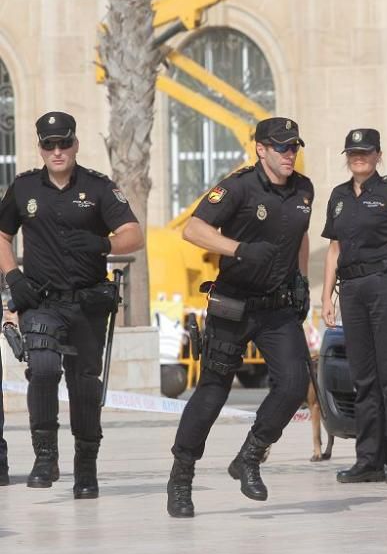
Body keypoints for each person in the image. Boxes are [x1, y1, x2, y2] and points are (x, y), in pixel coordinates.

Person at [167, 117, 313, 518]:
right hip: (233, 303)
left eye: (294, 147)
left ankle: (250, 455)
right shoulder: (238, 187)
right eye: (281, 147)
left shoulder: (304, 188)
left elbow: (301, 233)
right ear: (260, 149)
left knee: (295, 384)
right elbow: (194, 230)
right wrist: (239, 250)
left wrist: (301, 281)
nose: (289, 154)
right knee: (213, 390)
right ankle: (181, 477)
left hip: (277, 306)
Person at [0, 111, 144, 498]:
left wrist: (105, 244)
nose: (57, 151)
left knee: (84, 386)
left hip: (87, 304)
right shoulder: (24, 188)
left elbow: (134, 234)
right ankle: (45, 457)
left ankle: (86, 466)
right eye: (50, 145)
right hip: (41, 302)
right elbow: (2, 234)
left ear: (76, 144)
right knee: (44, 369)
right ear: (41, 148)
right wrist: (13, 277)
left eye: (64, 143)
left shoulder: (98, 188)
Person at [321, 128, 387, 485]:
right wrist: (327, 295)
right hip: (352, 289)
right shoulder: (339, 195)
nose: (358, 157)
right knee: (364, 379)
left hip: (386, 285)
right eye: (353, 152)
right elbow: (334, 248)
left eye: (365, 152)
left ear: (378, 154)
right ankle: (369, 459)